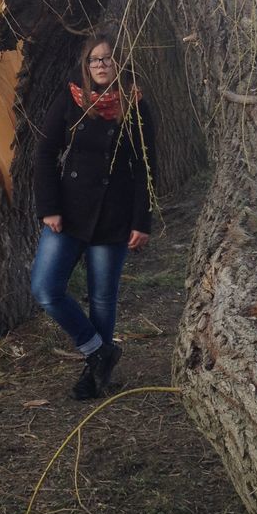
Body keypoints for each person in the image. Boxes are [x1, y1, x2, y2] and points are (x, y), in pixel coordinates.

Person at [31, 32, 156, 400]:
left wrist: (141, 221)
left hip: (115, 213)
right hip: (67, 212)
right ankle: (98, 349)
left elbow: (145, 168)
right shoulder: (72, 100)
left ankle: (95, 374)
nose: (101, 65)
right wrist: (48, 207)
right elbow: (44, 153)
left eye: (107, 59)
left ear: (119, 62)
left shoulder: (135, 105)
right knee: (45, 289)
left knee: (102, 297)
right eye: (94, 60)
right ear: (86, 66)